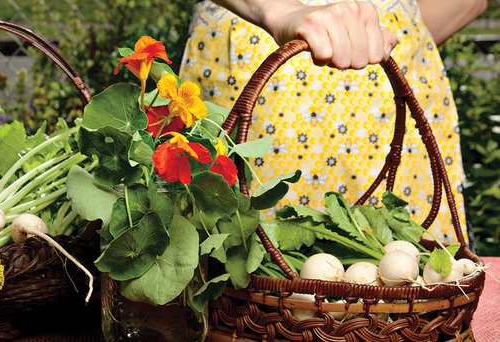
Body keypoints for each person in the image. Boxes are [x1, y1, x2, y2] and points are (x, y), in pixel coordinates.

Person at [179, 0, 487, 243]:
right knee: (241, 270)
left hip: (390, 101)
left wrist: (370, 41)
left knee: (410, 270)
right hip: (254, 60)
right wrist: (279, 8)